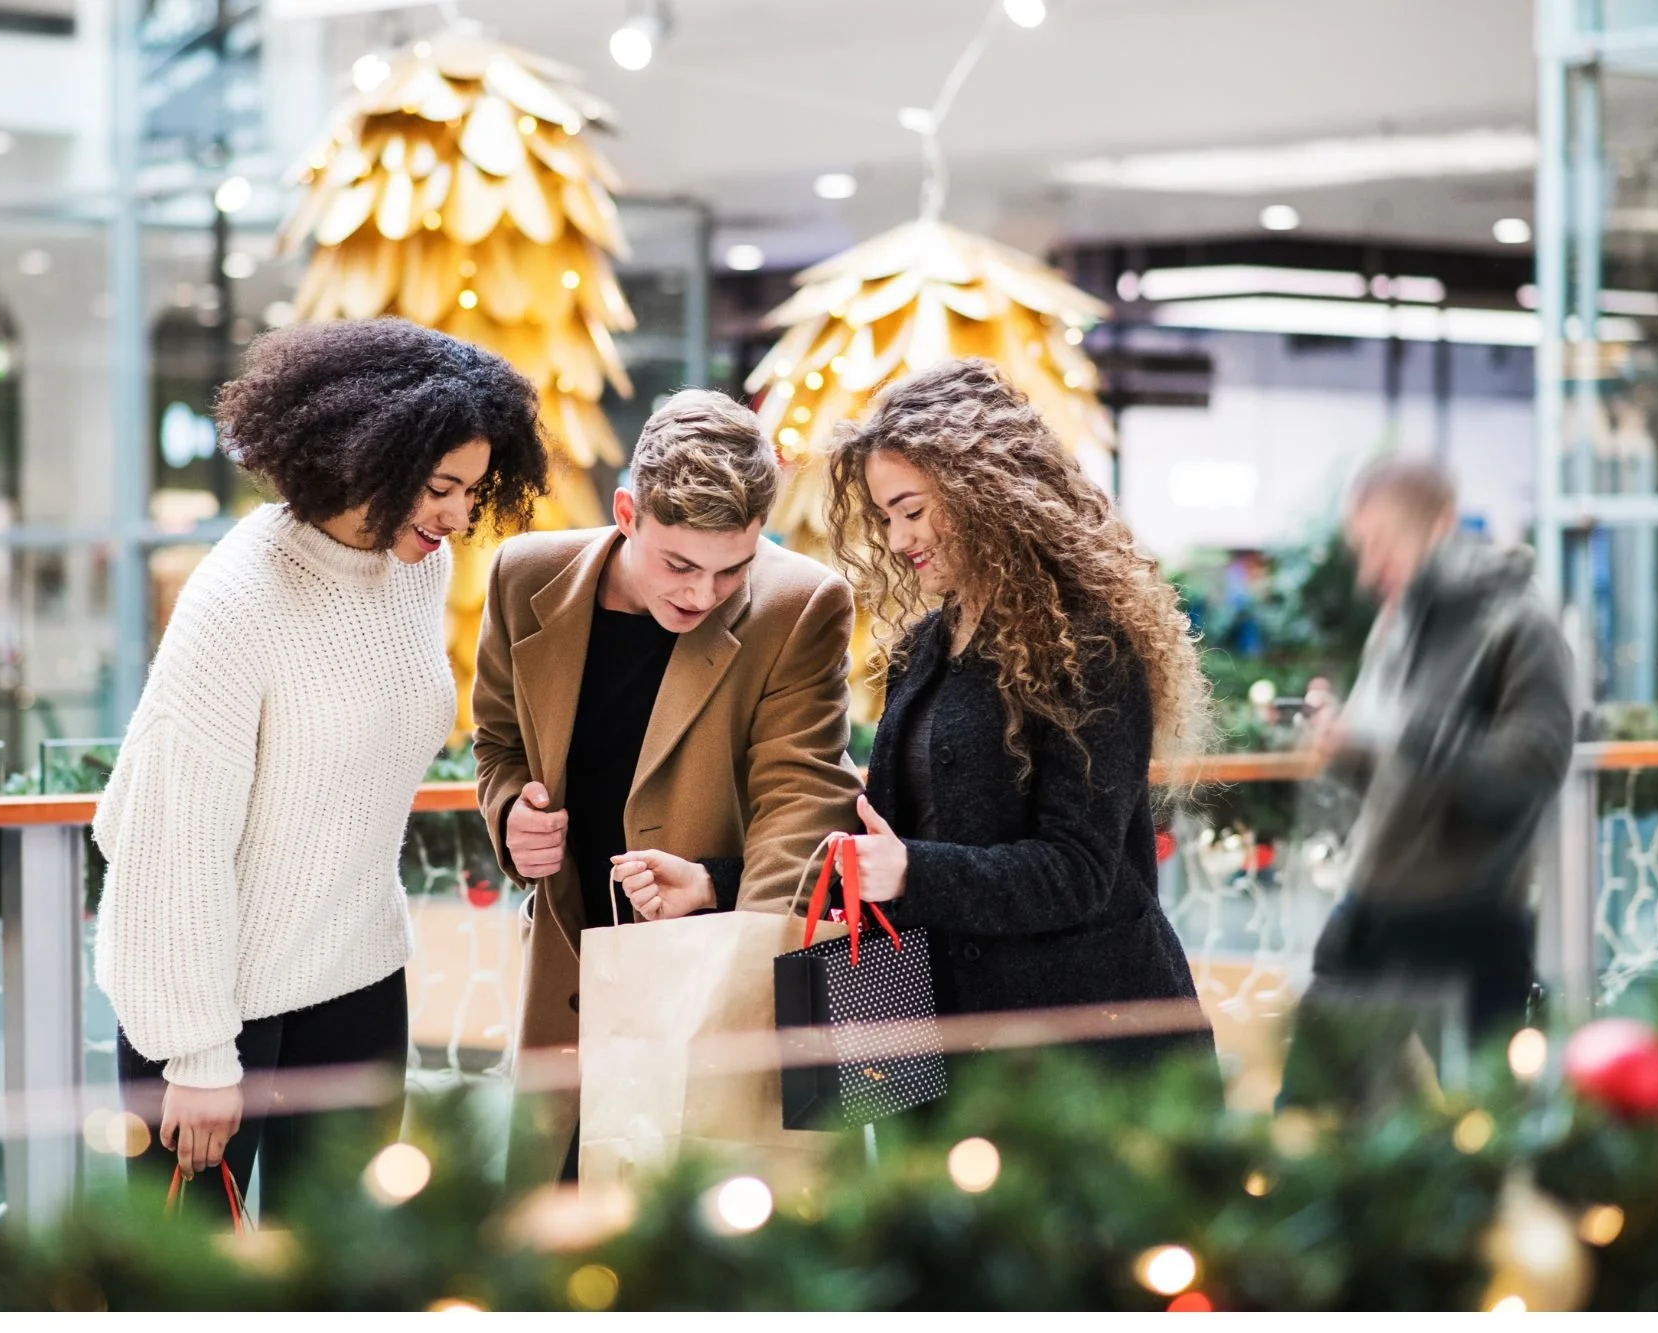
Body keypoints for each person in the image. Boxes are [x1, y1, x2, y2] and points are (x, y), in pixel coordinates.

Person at [92, 318, 548, 1216]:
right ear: (363, 456)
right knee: (196, 1299)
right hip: (216, 1011)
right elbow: (165, 840)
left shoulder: (415, 567)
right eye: (440, 486)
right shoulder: (239, 595)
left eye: (472, 488)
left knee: (355, 1278)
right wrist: (196, 1054)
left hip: (359, 981)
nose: (459, 515)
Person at [472, 388, 860, 1183]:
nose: (702, 594)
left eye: (732, 569)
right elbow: (499, 740)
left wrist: (733, 957)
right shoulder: (524, 576)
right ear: (626, 512)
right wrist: (511, 811)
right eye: (679, 563)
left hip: (717, 988)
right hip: (571, 985)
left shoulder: (800, 606)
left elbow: (802, 806)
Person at [824, 358, 1215, 1070]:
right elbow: (886, 836)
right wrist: (715, 881)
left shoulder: (1089, 644)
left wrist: (912, 871)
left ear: (982, 491)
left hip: (1089, 1057)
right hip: (953, 1045)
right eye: (886, 518)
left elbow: (1077, 869)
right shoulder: (925, 647)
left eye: (912, 510)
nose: (897, 539)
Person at [1283, 458, 1574, 1109]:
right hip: (1374, 912)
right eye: (1363, 549)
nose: (1367, 570)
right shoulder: (1398, 624)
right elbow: (1393, 764)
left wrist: (1409, 729)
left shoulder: (1523, 624)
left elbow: (1530, 773)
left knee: (1498, 1132)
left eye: (1382, 544)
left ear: (1441, 526)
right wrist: (1346, 746)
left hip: (1469, 920)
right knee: (1314, 1116)